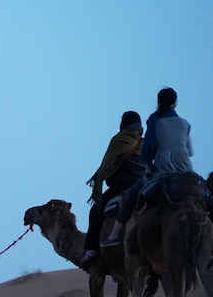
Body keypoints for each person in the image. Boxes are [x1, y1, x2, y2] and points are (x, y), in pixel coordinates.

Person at [102, 87, 195, 246]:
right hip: (187, 172)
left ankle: (114, 236)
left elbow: (148, 151)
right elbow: (190, 152)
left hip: (164, 171)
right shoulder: (185, 124)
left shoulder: (154, 120)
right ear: (175, 103)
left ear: (158, 102)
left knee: (131, 197)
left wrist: (150, 165)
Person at [81, 111, 146, 266]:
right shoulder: (144, 142)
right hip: (142, 185)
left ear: (123, 124)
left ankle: (92, 248)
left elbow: (108, 164)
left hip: (121, 187)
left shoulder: (119, 139)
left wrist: (98, 182)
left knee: (95, 210)